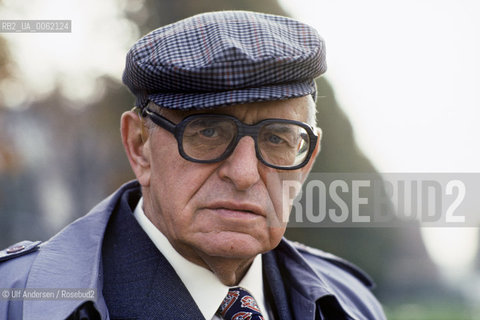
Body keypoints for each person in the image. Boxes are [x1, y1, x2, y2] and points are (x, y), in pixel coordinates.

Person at [0, 11, 386, 320]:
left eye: (276, 139)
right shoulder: (16, 301)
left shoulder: (351, 303)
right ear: (139, 146)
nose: (244, 173)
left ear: (306, 161)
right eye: (208, 132)